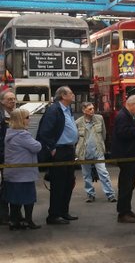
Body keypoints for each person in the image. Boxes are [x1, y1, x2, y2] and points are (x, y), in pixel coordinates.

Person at [36, 86, 79, 225]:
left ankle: (63, 212)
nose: (73, 95)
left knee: (68, 183)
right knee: (59, 184)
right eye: (71, 93)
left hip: (69, 150)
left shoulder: (68, 110)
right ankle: (54, 215)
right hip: (59, 151)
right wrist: (52, 148)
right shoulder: (54, 110)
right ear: (63, 96)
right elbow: (45, 131)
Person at [3, 108, 42, 230]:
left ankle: (14, 221)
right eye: (27, 117)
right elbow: (37, 147)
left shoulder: (9, 133)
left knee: (14, 199)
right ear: (21, 120)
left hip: (12, 173)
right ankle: (28, 221)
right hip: (24, 173)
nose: (29, 120)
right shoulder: (23, 135)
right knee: (28, 198)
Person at [111, 95, 135, 224]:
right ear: (132, 104)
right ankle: (123, 213)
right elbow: (123, 134)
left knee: (130, 184)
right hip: (126, 156)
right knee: (126, 185)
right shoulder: (122, 116)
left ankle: (127, 209)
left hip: (131, 155)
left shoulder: (129, 116)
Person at [75, 102, 116, 203]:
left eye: (93, 108)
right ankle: (90, 194)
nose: (92, 110)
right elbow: (76, 138)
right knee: (86, 175)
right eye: (89, 109)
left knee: (103, 173)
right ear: (84, 110)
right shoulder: (78, 122)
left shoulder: (99, 119)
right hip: (84, 153)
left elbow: (104, 134)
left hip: (98, 151)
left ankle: (110, 194)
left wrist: (101, 145)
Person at [0, 89, 17, 224]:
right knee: (3, 186)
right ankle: (3, 216)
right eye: (9, 99)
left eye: (13, 98)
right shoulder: (1, 116)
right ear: (2, 101)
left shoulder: (17, 115)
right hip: (3, 157)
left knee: (14, 185)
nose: (12, 101)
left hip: (16, 157)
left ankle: (16, 214)